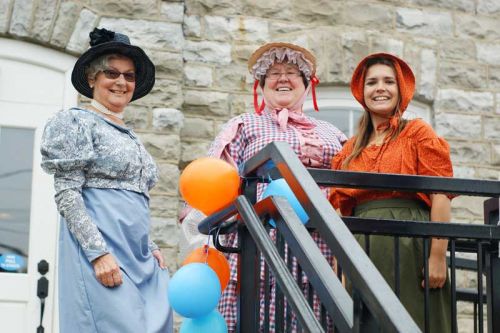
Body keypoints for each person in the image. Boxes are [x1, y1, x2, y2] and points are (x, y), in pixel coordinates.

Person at [180, 42, 347, 332]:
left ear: (306, 83)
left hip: (318, 245)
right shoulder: (244, 125)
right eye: (273, 73)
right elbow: (219, 180)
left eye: (292, 72)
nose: (283, 78)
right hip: (259, 242)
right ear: (261, 84)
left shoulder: (332, 133)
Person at [40, 28, 173, 332]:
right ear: (92, 78)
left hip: (140, 257)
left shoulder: (131, 136)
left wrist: (149, 244)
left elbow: (136, 198)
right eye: (111, 73)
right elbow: (67, 194)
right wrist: (97, 253)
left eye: (129, 76)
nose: (121, 82)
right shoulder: (75, 122)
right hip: (102, 250)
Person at [329, 52, 452, 331]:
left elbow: (441, 194)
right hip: (362, 248)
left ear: (401, 89)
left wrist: (437, 256)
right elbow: (338, 211)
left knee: (415, 320)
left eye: (389, 81)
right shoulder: (349, 150)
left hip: (411, 245)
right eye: (372, 82)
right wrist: (340, 265)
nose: (380, 88)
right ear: (363, 91)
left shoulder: (417, 132)